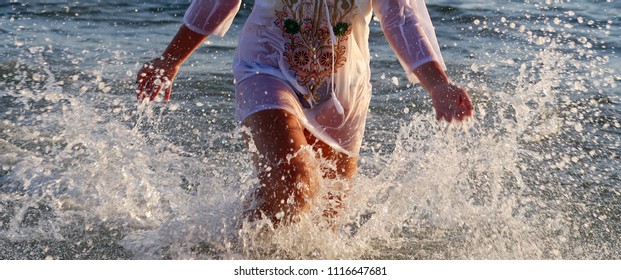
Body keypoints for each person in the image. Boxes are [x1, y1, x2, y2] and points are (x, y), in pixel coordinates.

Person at [136, 0, 473, 227]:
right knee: (294, 185)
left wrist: (437, 84)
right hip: (266, 65)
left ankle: (233, 241)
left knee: (322, 226)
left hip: (344, 90)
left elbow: (399, 16)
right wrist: (171, 59)